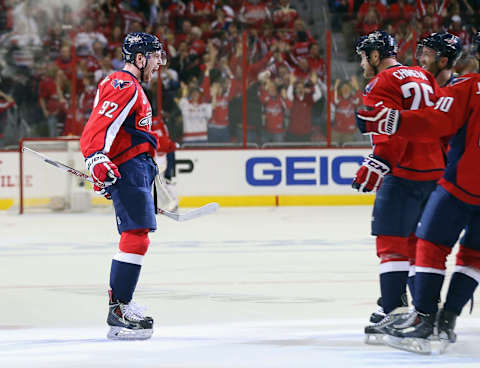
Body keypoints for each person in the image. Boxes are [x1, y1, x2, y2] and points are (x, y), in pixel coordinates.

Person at [355, 72, 480, 354]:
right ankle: (447, 321)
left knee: (428, 246)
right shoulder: (434, 79)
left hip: (460, 185)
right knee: (473, 257)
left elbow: (437, 122)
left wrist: (394, 120)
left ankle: (424, 319)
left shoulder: (468, 86)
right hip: (442, 173)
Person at [351, 31, 445, 344]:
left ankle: (393, 312)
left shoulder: (381, 83)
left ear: (376, 55)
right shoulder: (424, 75)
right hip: (435, 171)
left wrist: (378, 163)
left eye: (365, 56)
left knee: (392, 245)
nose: (363, 62)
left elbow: (388, 131)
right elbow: (439, 121)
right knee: (421, 246)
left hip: (403, 172)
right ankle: (424, 312)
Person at [80, 32, 167, 340]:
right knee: (136, 236)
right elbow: (96, 128)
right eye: (155, 56)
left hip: (135, 169)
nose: (159, 62)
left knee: (139, 235)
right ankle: (119, 311)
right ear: (139, 58)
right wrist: (96, 159)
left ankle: (121, 306)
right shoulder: (123, 85)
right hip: (129, 168)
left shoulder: (131, 87)